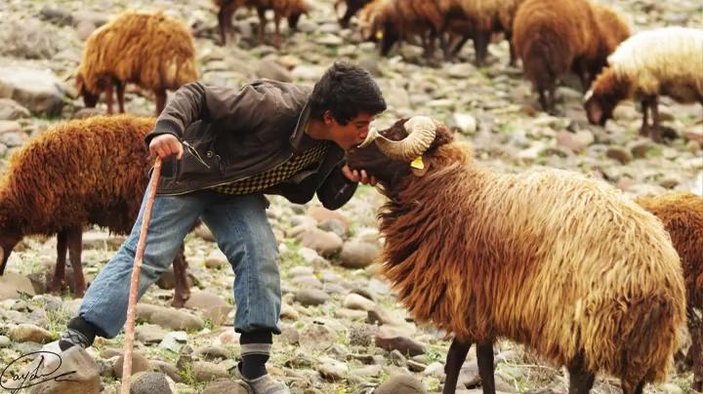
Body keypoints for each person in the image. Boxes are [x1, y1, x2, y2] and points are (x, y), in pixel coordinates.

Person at [57, 61, 387, 394]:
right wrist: (167, 130)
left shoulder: (336, 143)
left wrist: (350, 179)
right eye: (361, 123)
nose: (366, 131)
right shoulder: (273, 107)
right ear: (330, 117)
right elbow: (196, 94)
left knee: (260, 255)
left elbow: (327, 197)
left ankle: (254, 370)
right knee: (149, 255)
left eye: (369, 123)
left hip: (238, 192)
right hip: (194, 175)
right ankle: (75, 339)